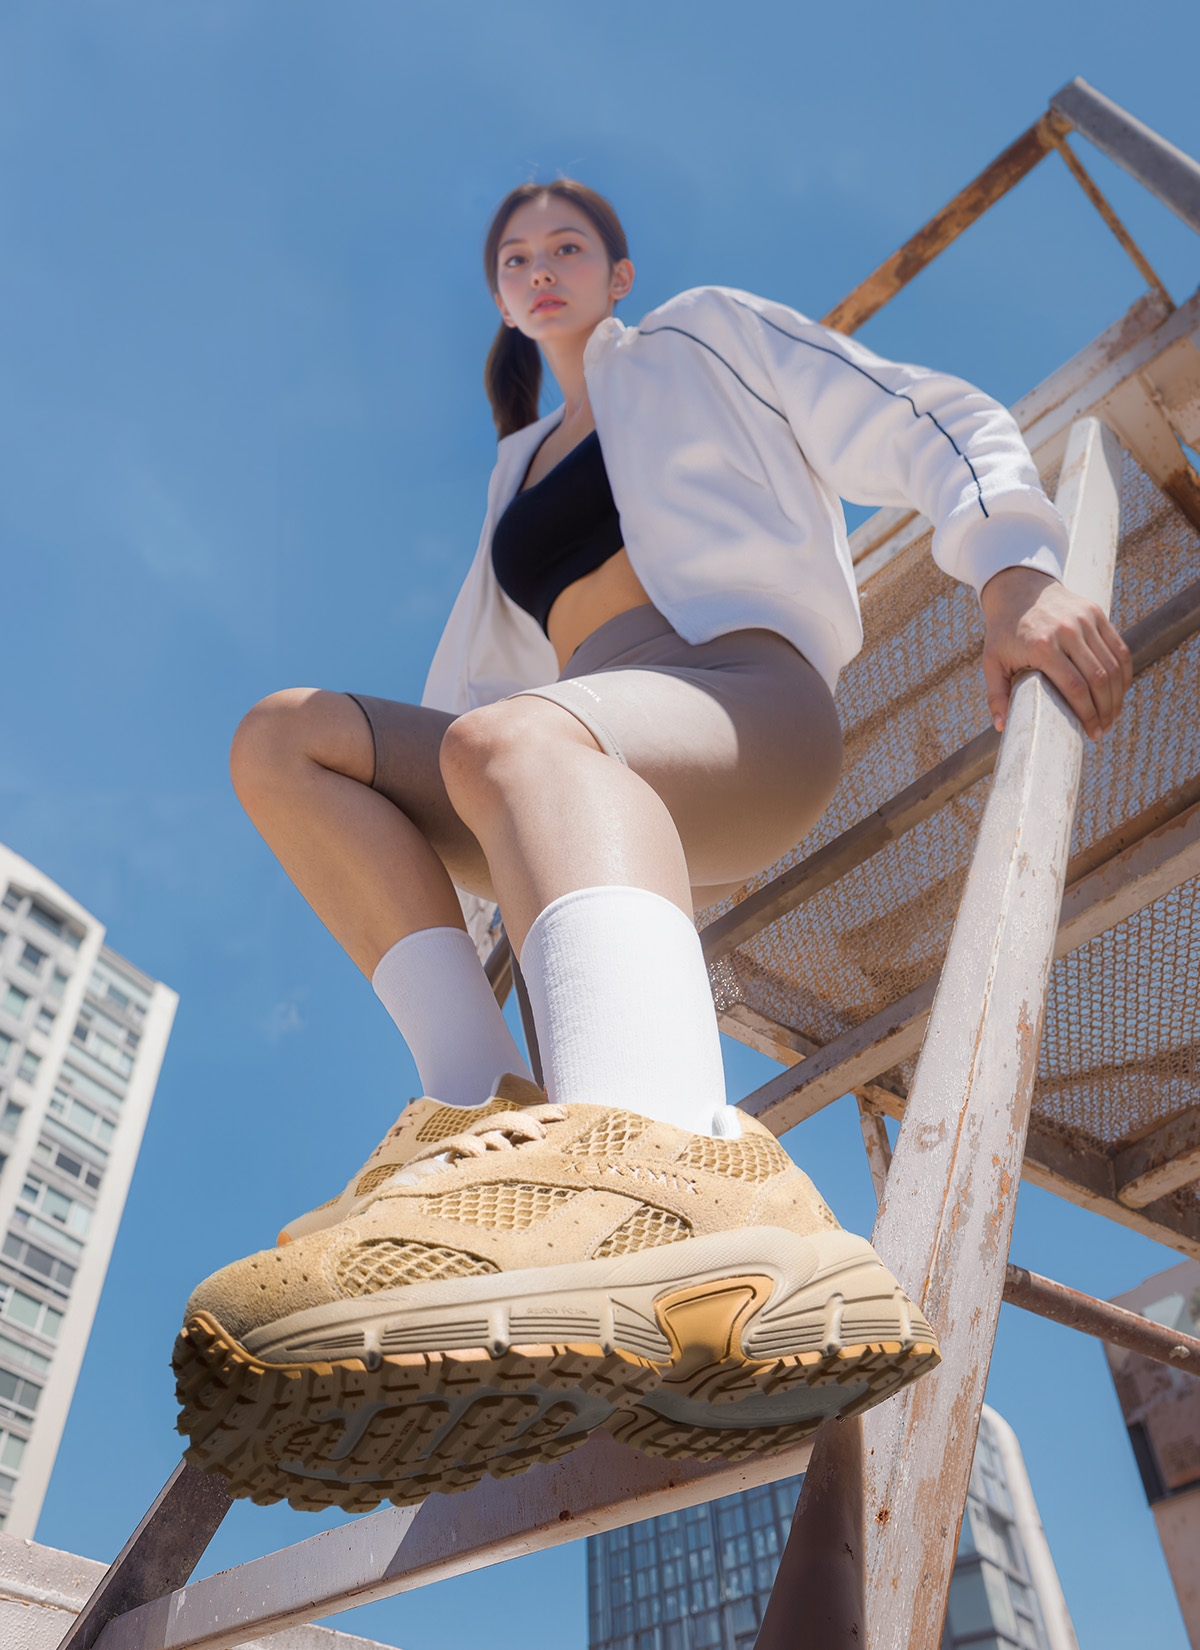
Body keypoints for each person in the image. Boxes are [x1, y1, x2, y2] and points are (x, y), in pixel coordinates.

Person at [172, 181, 1131, 1514]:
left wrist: (1014, 568)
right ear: (503, 299)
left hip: (742, 699)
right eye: (515, 257)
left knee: (518, 739)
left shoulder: (704, 337)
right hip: (563, 746)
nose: (541, 267)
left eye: (567, 246)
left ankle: (683, 1170)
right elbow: (472, 702)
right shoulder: (516, 470)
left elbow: (929, 414)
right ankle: (488, 1113)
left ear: (617, 272)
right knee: (286, 738)